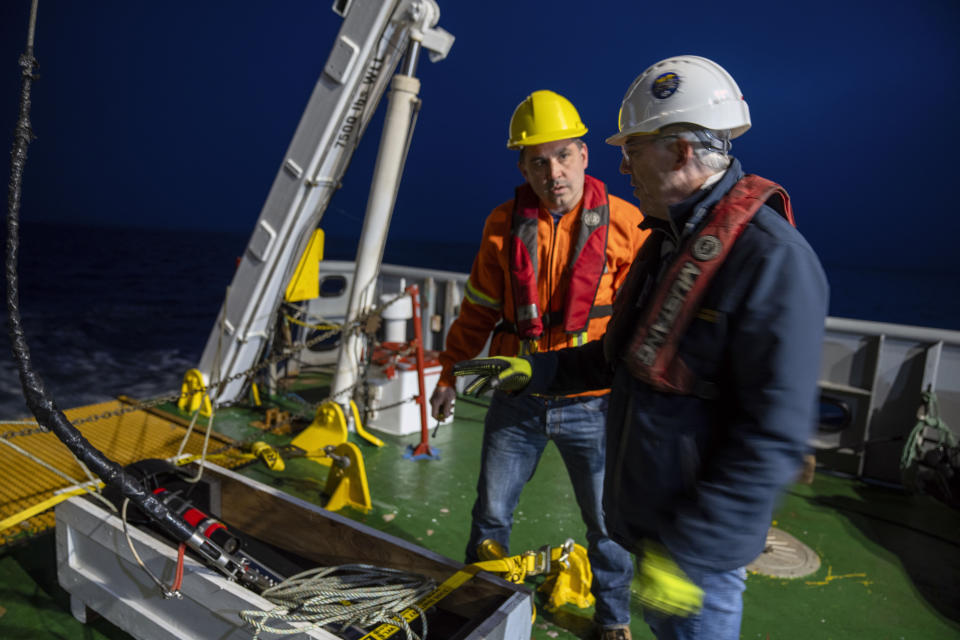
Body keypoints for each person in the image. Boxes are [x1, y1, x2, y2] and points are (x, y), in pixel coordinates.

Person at [455, 56, 829, 640]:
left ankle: (612, 620)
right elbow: (617, 355)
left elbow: (772, 437)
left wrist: (690, 555)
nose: (622, 164)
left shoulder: (769, 259)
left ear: (680, 153)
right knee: (492, 515)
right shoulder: (673, 241)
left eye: (633, 149)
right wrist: (534, 369)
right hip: (652, 529)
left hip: (689, 557)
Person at [430, 89, 646, 639]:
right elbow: (478, 307)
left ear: (584, 154)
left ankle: (613, 620)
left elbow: (638, 327)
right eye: (538, 160)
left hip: (593, 405)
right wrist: (452, 372)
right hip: (517, 399)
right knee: (491, 516)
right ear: (523, 166)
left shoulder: (626, 223)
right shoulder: (502, 225)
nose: (553, 172)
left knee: (607, 525)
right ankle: (480, 600)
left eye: (563, 155)